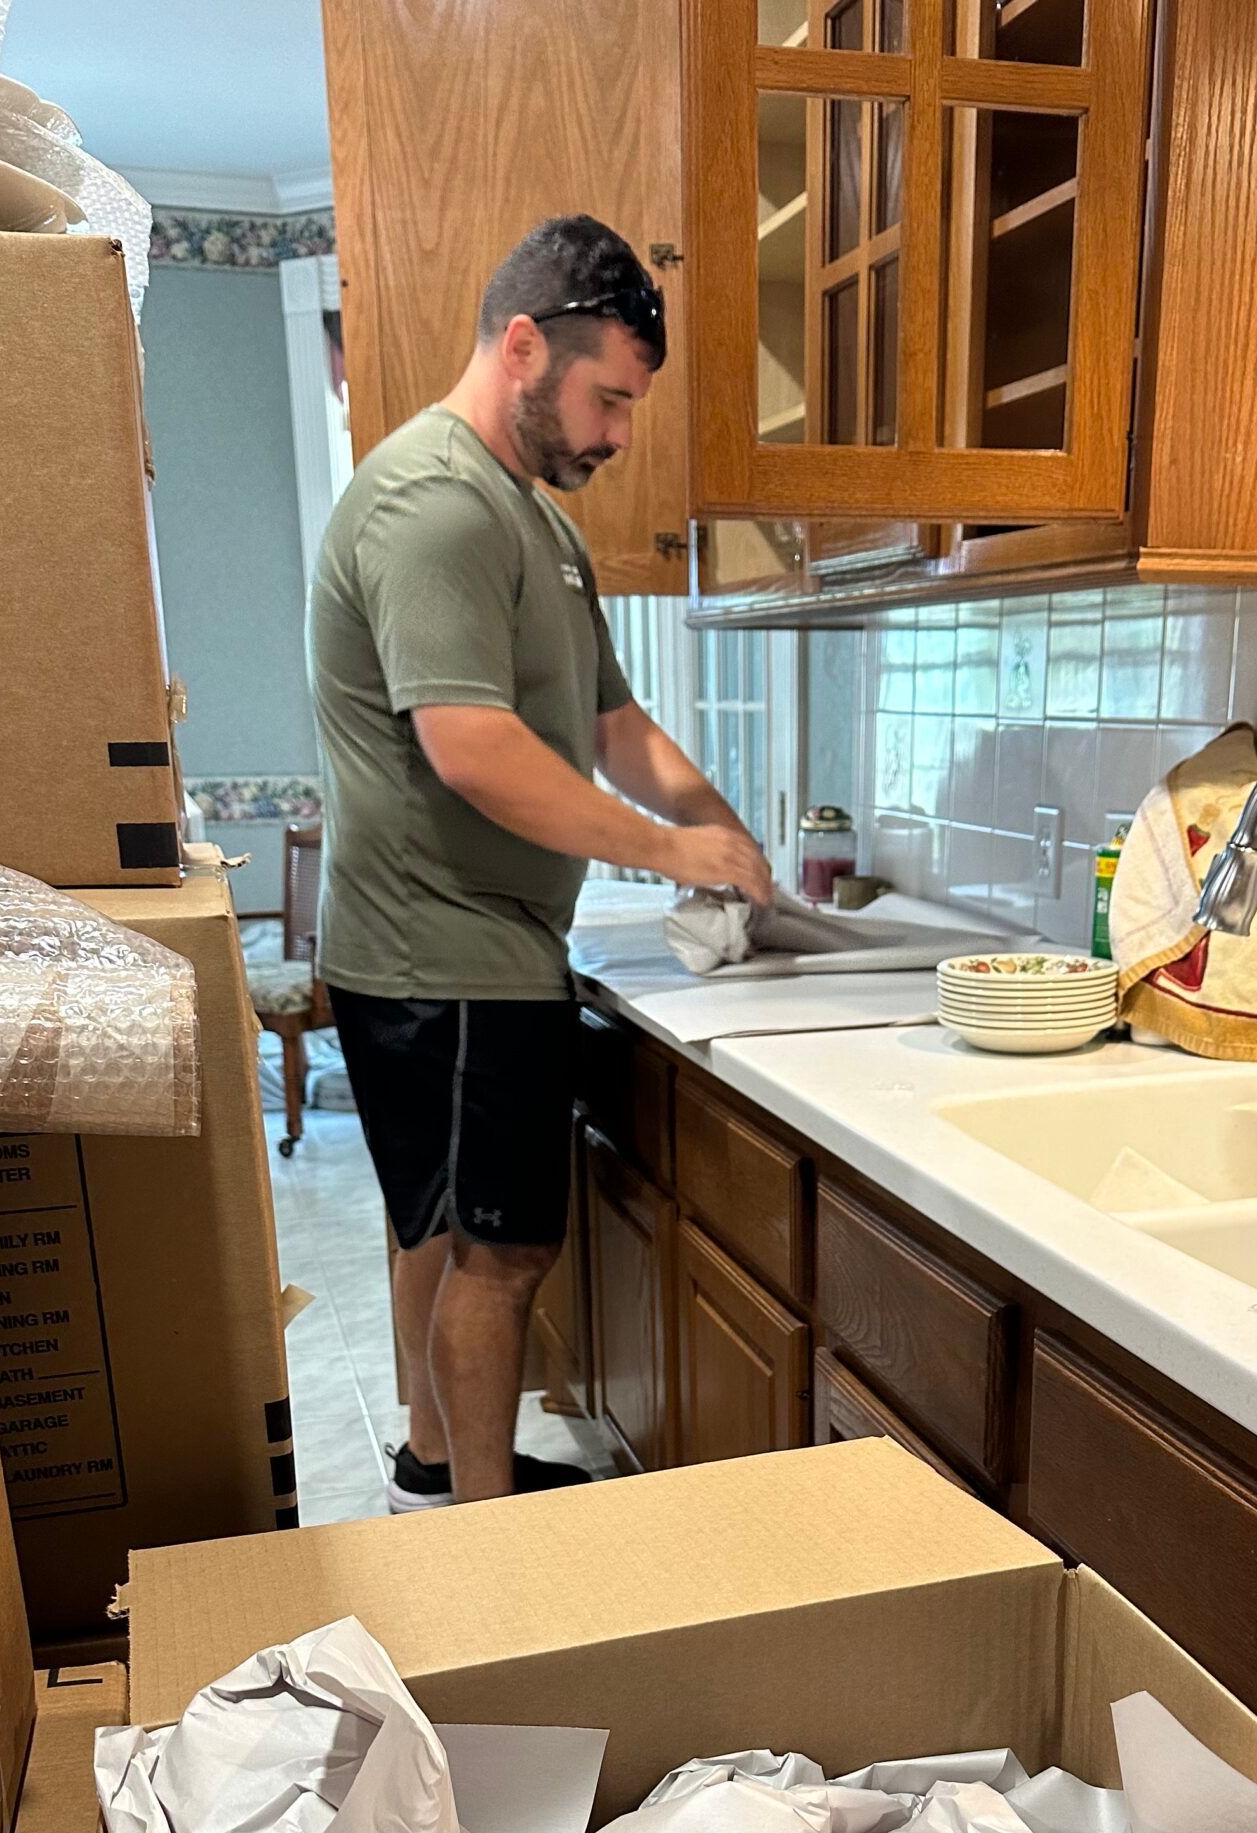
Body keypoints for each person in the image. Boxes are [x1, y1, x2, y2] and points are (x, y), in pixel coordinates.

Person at [309, 214, 772, 1509]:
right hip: (445, 952)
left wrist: (723, 836)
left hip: (461, 947)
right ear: (523, 347)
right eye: (608, 398)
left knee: (444, 1227)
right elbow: (471, 749)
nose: (619, 434)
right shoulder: (437, 504)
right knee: (500, 1255)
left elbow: (617, 727)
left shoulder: (536, 525)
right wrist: (669, 850)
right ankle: (488, 1536)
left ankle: (433, 1465)